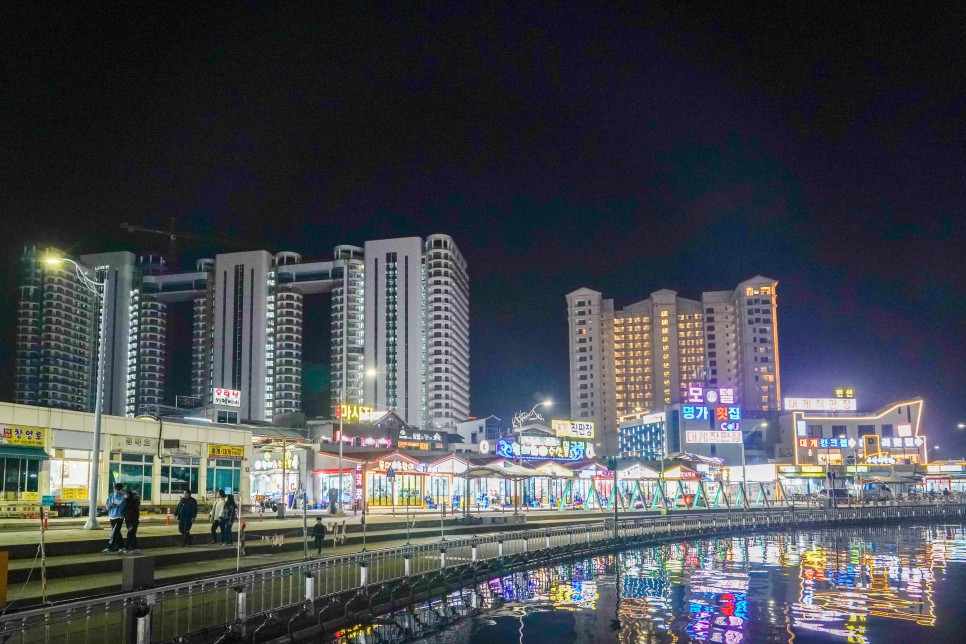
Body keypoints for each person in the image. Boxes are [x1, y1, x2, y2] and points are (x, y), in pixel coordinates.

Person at [103, 482, 127, 553]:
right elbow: (107, 505)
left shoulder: (124, 496)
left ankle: (109, 548)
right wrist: (110, 505)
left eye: (119, 489)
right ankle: (122, 547)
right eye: (116, 489)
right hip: (112, 516)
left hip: (119, 517)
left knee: (114, 532)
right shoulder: (111, 495)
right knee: (117, 532)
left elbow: (124, 506)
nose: (117, 491)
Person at [124, 488, 141, 554]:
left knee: (130, 535)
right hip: (132, 521)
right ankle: (135, 548)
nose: (124, 496)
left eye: (125, 494)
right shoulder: (133, 502)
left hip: (131, 521)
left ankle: (128, 549)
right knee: (132, 534)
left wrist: (130, 524)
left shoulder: (130, 504)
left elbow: (130, 514)